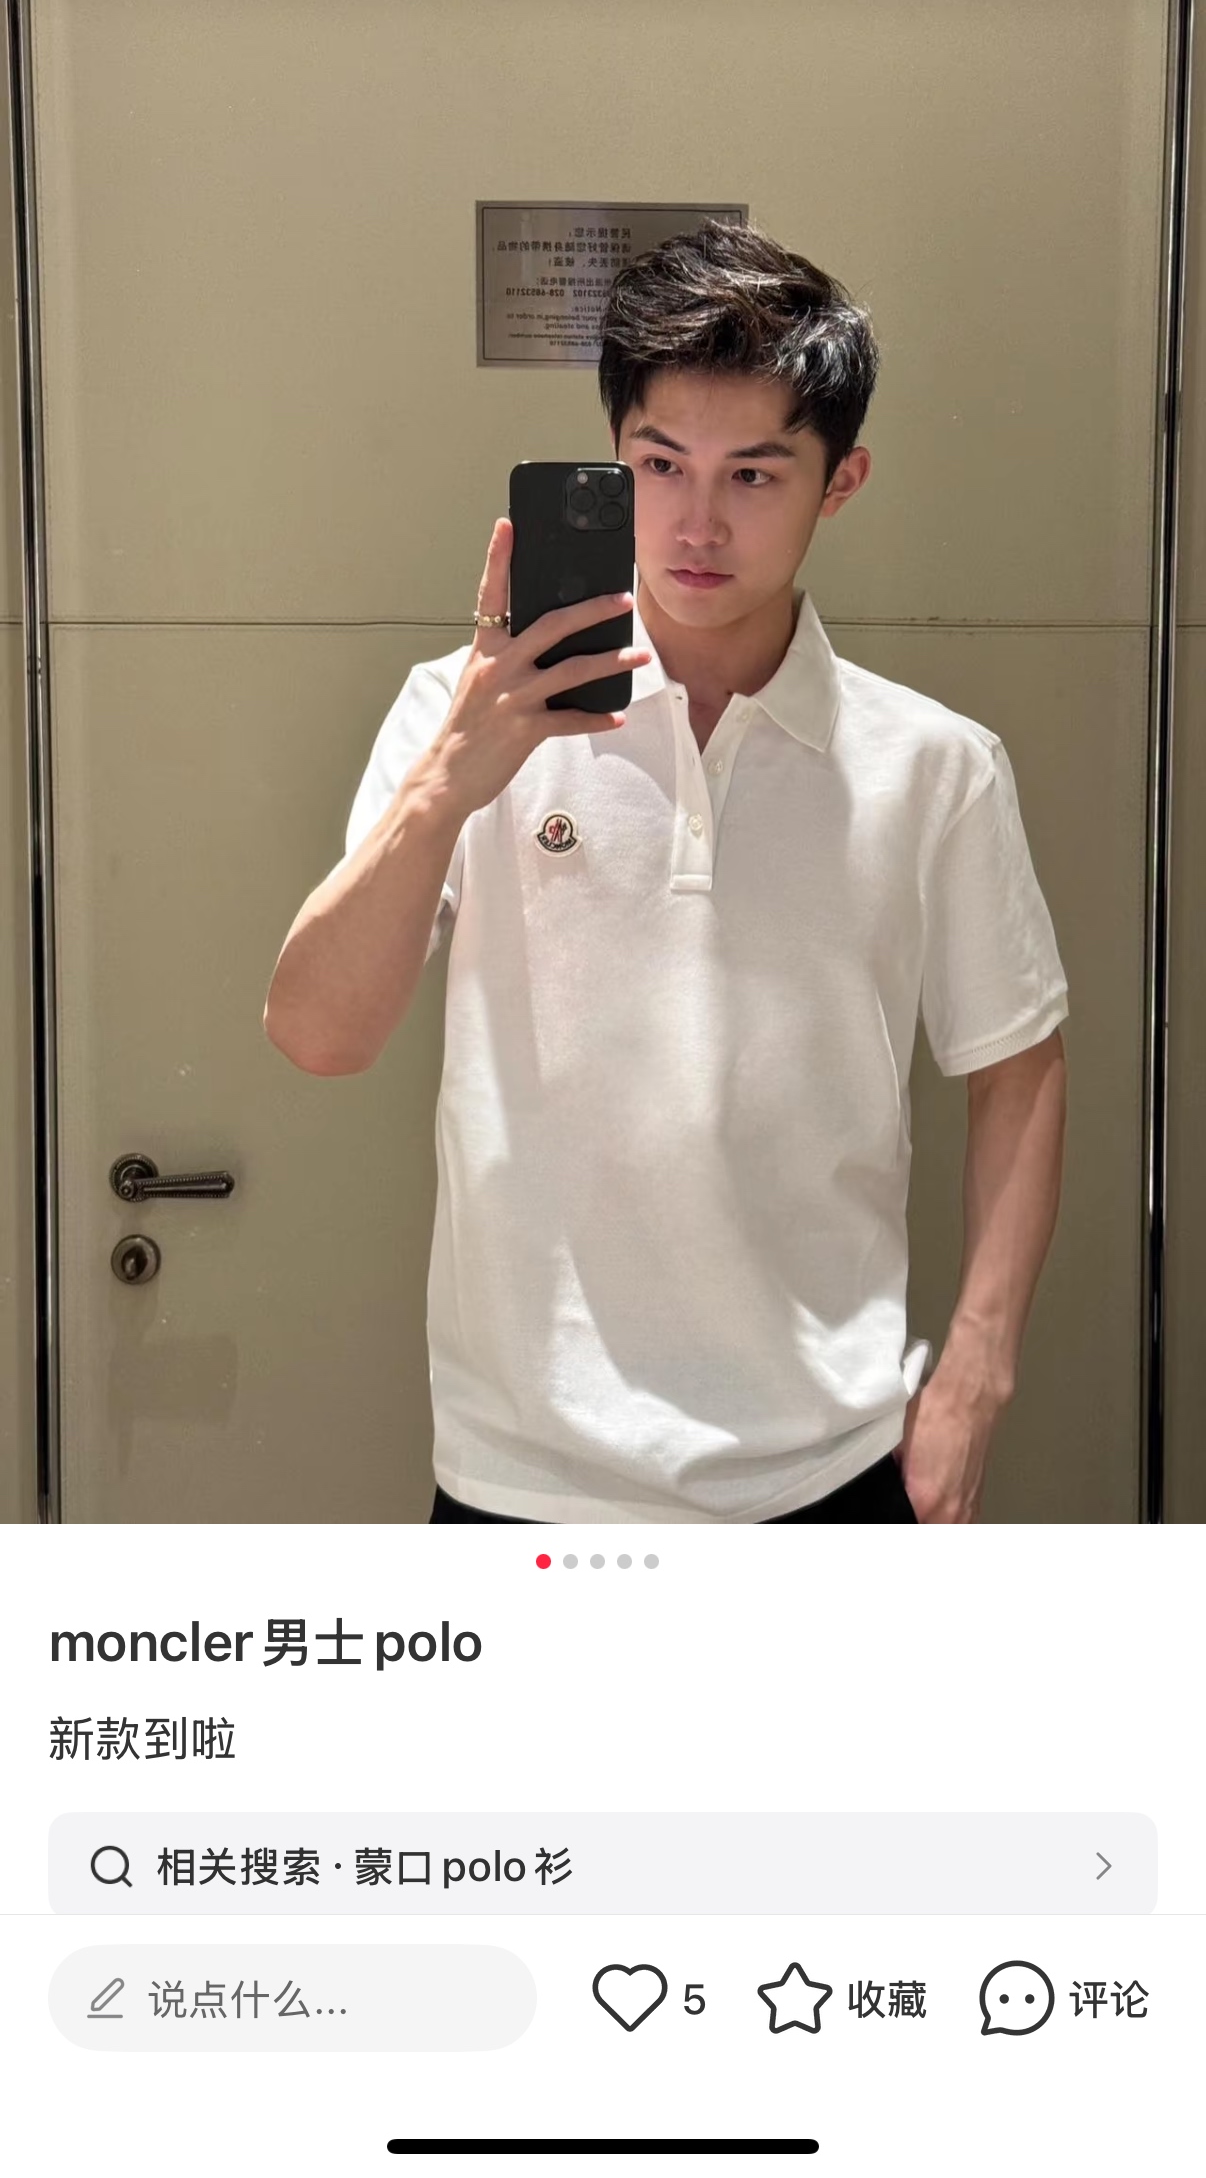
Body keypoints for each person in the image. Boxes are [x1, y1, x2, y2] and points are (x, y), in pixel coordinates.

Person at [264, 219, 1068, 1525]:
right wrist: (450, 781)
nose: (696, 522)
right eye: (659, 465)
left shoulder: (934, 765)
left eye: (753, 474)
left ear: (840, 480)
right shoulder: (458, 717)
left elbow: (1016, 1063)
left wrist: (976, 1370)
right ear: (612, 457)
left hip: (825, 1465)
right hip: (523, 1476)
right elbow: (317, 1033)